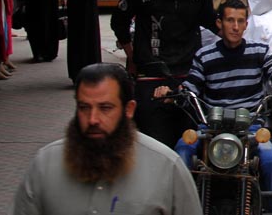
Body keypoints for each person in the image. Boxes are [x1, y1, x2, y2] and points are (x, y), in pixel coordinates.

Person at [151, 0, 272, 212]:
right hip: (210, 128)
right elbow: (191, 86)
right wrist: (171, 94)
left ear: (246, 24)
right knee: (182, 150)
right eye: (230, 20)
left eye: (240, 21)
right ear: (219, 23)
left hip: (250, 129)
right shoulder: (205, 55)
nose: (235, 27)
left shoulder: (259, 51)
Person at [12, 63, 202, 215]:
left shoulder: (166, 168)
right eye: (84, 108)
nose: (93, 119)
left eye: (105, 108)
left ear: (129, 110)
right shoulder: (45, 164)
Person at [110, 0, 219, 148]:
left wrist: (234, 27)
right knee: (156, 144)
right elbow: (119, 22)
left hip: (188, 77)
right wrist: (132, 56)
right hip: (151, 77)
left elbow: (212, 22)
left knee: (190, 144)